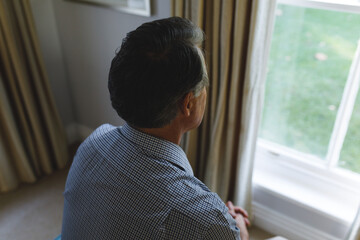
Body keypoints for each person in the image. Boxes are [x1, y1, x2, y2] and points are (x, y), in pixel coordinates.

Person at [61, 17, 250, 240]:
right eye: (205, 83)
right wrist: (237, 229)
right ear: (188, 103)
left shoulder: (93, 144)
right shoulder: (209, 222)